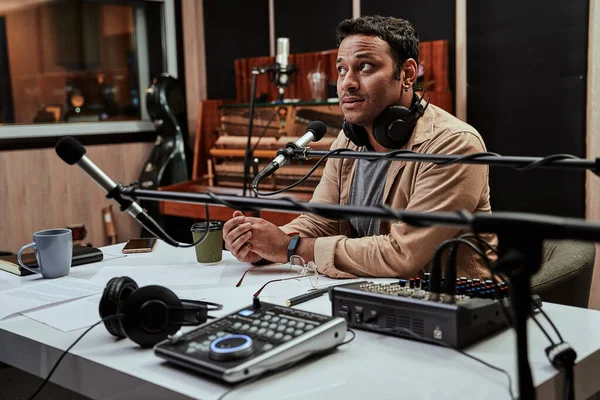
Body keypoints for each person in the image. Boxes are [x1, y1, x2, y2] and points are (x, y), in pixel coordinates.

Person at [223, 15, 497, 279]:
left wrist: (286, 248)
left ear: (407, 74)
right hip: (376, 294)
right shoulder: (349, 140)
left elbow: (403, 254)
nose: (347, 83)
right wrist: (261, 245)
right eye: (342, 69)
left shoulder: (453, 144)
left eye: (365, 66)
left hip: (459, 304)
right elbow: (321, 221)